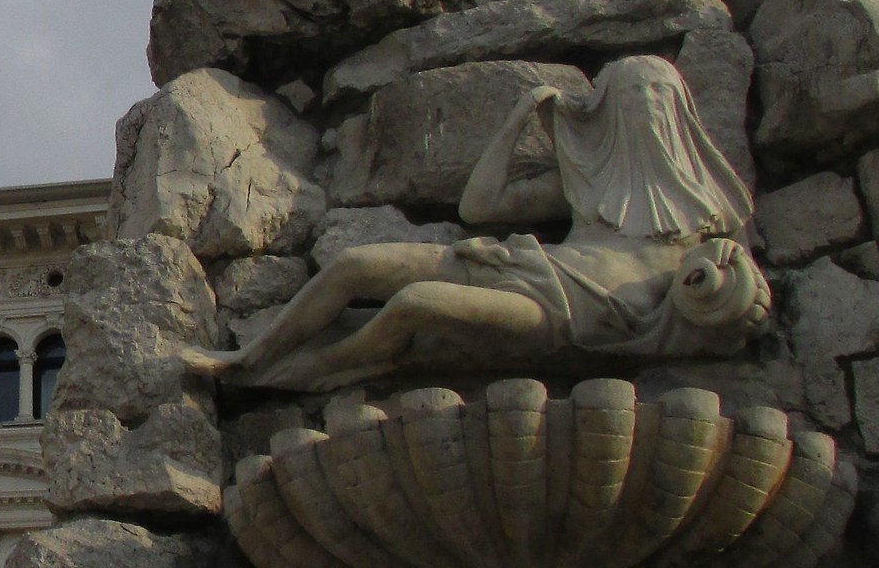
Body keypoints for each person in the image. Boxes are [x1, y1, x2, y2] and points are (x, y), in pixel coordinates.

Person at [192, 57, 769, 391]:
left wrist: (709, 286)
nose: (643, 108)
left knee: (417, 303)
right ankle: (254, 357)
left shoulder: (714, 214)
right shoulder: (588, 188)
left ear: (679, 113)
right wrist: (521, 117)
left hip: (569, 315)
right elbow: (479, 207)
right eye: (628, 95)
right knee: (355, 264)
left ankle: (315, 370)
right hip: (532, 265)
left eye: (655, 96)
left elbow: (734, 308)